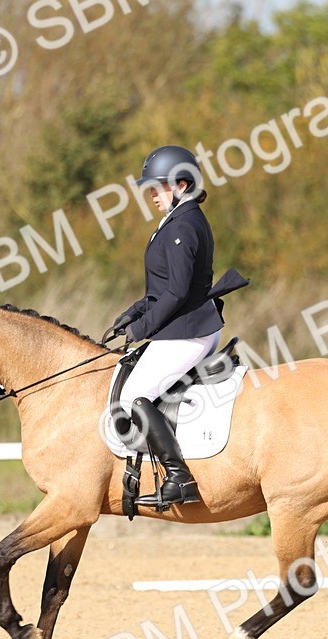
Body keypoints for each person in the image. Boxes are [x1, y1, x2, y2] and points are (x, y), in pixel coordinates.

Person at [106, 145, 248, 507]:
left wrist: (144, 328)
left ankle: (179, 477)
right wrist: (133, 313)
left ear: (181, 184)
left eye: (157, 187)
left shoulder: (183, 224)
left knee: (131, 397)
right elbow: (161, 287)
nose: (151, 194)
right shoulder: (176, 220)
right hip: (183, 325)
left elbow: (178, 291)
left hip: (189, 330)